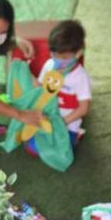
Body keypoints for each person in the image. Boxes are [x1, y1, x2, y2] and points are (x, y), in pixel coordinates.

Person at [31, 19, 91, 152]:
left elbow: (83, 109)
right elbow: (40, 88)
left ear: (78, 53)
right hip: (48, 119)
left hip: (67, 125)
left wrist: (62, 123)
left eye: (64, 58)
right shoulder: (49, 65)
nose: (58, 61)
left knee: (57, 150)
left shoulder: (80, 76)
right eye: (54, 55)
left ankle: (77, 134)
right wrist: (26, 73)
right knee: (33, 146)